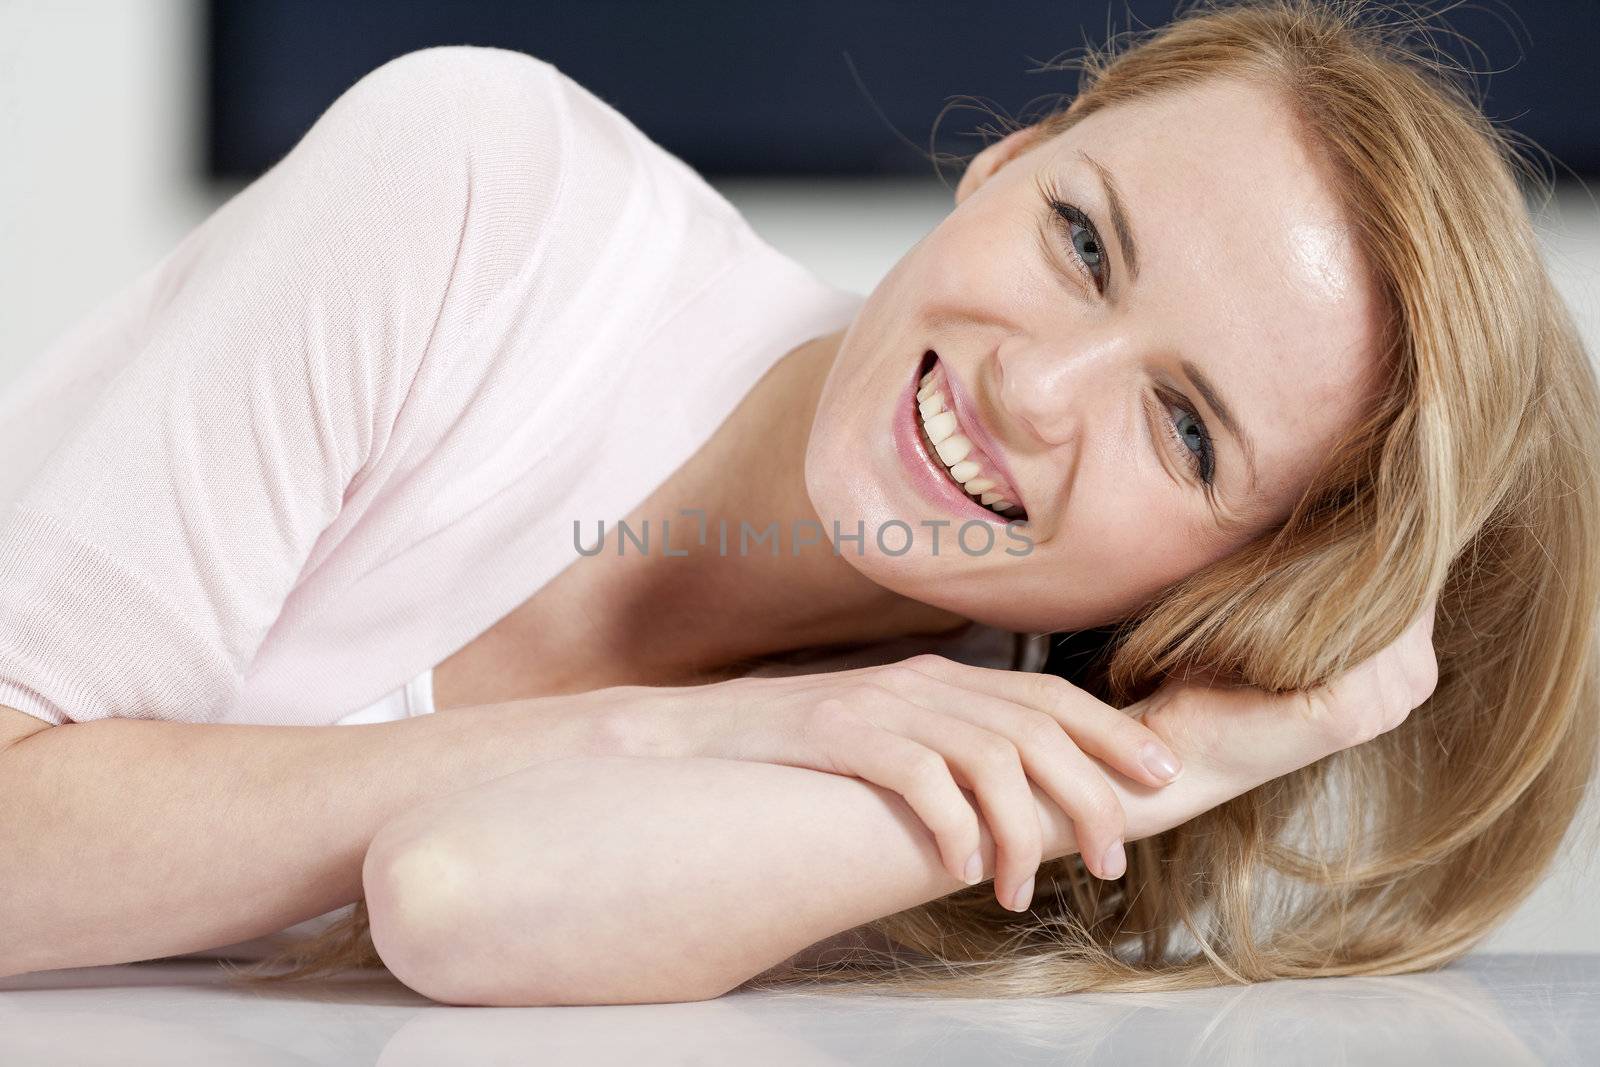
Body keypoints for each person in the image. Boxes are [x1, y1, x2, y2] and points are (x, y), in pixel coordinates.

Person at [0, 0, 1593, 1005]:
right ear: (1010, 157)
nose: (1030, 392)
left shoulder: (975, 771)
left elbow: (460, 902)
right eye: (1083, 240)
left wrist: (1202, 755)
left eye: (1185, 432)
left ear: (1237, 580)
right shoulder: (479, 193)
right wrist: (674, 729)